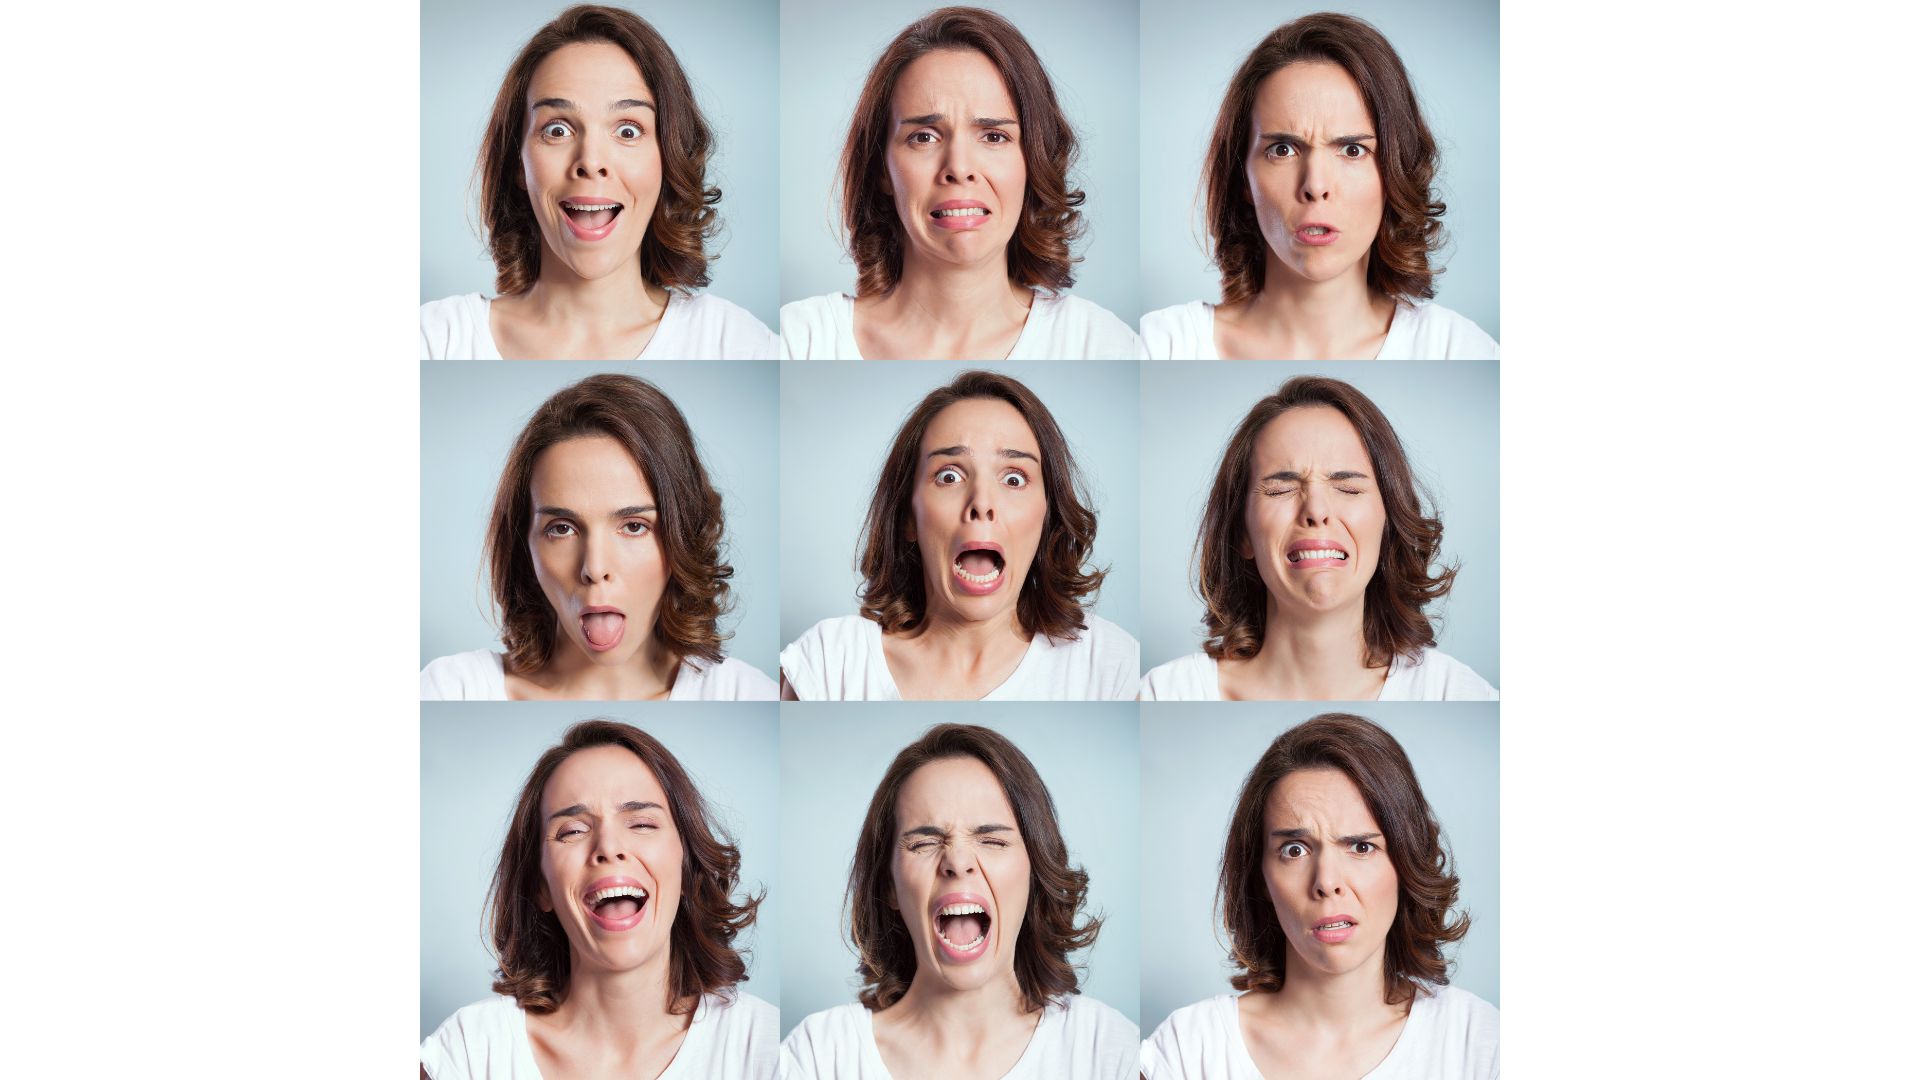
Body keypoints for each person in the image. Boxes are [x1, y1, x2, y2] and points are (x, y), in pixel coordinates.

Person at [1141, 713, 1498, 1079]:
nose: (1326, 882)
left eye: (1361, 847)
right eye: (1294, 850)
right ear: (1260, 876)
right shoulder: (1187, 1050)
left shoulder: (1482, 1045)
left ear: (1406, 863)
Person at [421, 720, 777, 1079]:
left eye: (641, 824)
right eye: (573, 831)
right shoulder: (468, 1053)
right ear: (540, 886)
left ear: (686, 868)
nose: (608, 847)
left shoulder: (765, 1049)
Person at [781, 6, 1141, 360]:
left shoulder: (1100, 343)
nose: (959, 167)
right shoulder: (800, 340)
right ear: (881, 169)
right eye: (924, 137)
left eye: (994, 136)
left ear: (1033, 162)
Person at [782, 723, 1138, 1078]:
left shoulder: (1109, 1052)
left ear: (1034, 874)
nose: (957, 861)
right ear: (889, 884)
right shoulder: (818, 1056)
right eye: (923, 844)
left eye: (993, 841)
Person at [421, 5, 776, 360]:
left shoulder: (737, 344)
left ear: (668, 159)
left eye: (627, 130)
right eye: (557, 129)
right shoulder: (434, 340)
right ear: (518, 162)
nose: (591, 162)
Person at [1140, 13, 1496, 361]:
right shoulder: (1161, 346)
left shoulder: (1458, 349)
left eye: (1352, 150)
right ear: (1242, 178)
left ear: (1394, 174)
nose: (1316, 186)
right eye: (1283, 150)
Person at [780, 370, 1138, 700]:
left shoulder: (1110, 667)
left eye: (1014, 478)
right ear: (908, 516)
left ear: (1048, 516)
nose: (981, 503)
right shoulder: (829, 665)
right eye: (949, 476)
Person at [422, 374, 776, 700]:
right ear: (524, 546)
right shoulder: (452, 689)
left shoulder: (743, 693)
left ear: (682, 538)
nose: (595, 567)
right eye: (562, 529)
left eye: (634, 526)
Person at [1140, 376, 1494, 700]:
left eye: (1348, 488)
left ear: (1388, 525)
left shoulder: (1458, 694)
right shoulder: (1166, 693)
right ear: (1242, 533)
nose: (1316, 510)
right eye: (1280, 489)